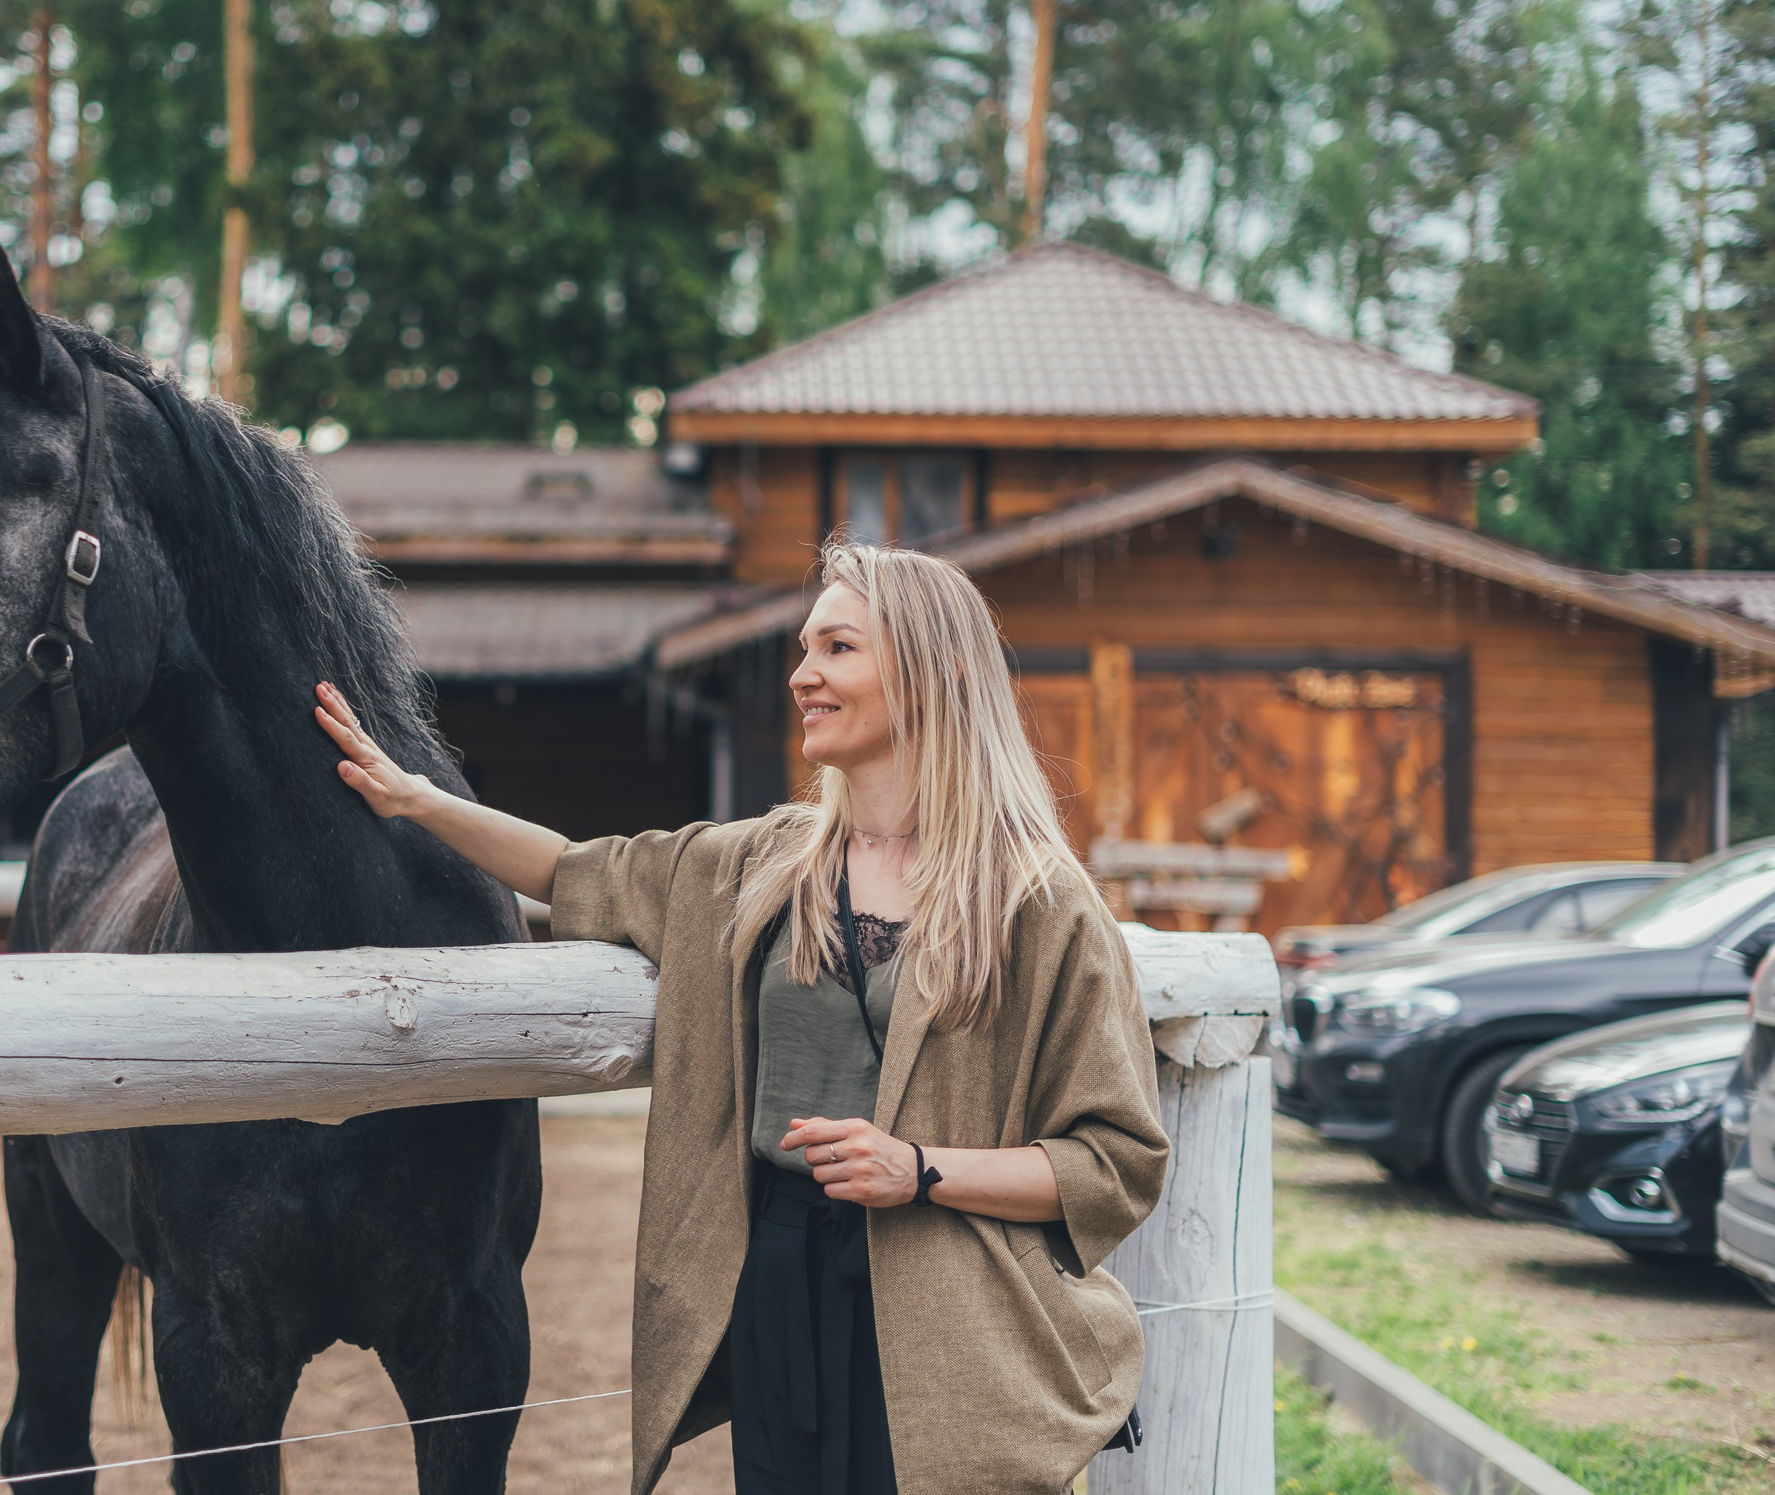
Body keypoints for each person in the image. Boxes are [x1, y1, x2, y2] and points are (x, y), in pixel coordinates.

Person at [316, 539, 1168, 1495]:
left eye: (838, 648)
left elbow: (1117, 1159)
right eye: (805, 649)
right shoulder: (765, 863)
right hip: (781, 1274)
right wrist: (418, 800)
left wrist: (918, 1169)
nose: (802, 674)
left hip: (953, 1310)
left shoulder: (1039, 901)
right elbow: (573, 871)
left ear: (937, 670)